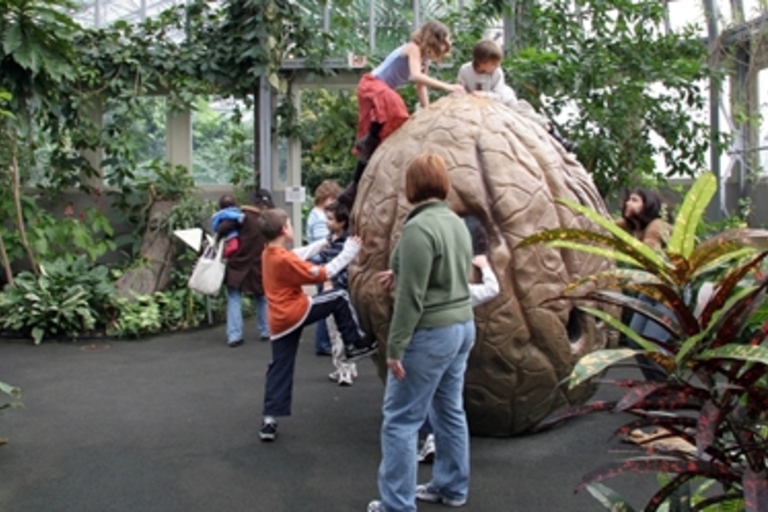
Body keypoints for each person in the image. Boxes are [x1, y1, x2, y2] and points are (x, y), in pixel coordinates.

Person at [367, 153, 476, 512]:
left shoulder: (418, 228)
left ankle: (396, 504)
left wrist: (395, 347)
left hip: (431, 333)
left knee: (400, 420)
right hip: (462, 327)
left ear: (411, 186)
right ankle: (452, 487)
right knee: (450, 411)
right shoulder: (455, 222)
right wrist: (400, 273)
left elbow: (411, 299)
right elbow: (445, 271)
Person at [257, 208, 378, 441]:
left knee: (279, 367)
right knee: (339, 297)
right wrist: (350, 250)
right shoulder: (284, 259)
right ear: (284, 229)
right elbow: (326, 272)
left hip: (279, 322)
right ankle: (354, 345)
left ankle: (269, 419)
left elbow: (298, 254)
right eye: (290, 223)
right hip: (295, 312)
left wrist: (324, 243)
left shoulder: (269, 253)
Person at [337, 20, 465, 208]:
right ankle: (369, 138)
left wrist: (428, 111)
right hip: (372, 85)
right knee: (396, 106)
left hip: (382, 92)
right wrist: (448, 87)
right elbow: (415, 76)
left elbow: (421, 87)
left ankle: (354, 184)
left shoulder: (425, 60)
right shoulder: (412, 48)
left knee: (380, 136)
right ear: (433, 38)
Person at [417, 215, 500, 464]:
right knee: (451, 401)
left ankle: (431, 437)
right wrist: (485, 266)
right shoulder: (465, 285)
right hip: (464, 335)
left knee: (427, 392)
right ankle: (452, 471)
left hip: (435, 337)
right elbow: (493, 289)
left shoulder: (444, 278)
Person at [457, 39, 575, 152]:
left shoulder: (497, 73)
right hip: (475, 106)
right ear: (482, 62)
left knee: (528, 115)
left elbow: (500, 96)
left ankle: (557, 138)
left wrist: (485, 95)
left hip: (505, 103)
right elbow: (461, 88)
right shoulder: (465, 70)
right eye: (493, 63)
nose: (497, 66)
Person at [616, 188, 671, 381]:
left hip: (670, 294)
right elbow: (604, 226)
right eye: (628, 200)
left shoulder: (657, 225)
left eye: (635, 200)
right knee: (635, 340)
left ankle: (668, 390)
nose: (628, 203)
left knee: (652, 344)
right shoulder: (631, 226)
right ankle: (655, 388)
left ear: (648, 205)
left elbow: (649, 252)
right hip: (648, 291)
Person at [308, 201, 359, 386]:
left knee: (339, 331)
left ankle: (345, 369)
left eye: (330, 219)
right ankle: (345, 367)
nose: (326, 222)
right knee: (334, 332)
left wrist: (334, 282)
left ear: (342, 222)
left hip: (339, 292)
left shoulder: (348, 243)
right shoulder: (330, 240)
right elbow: (322, 259)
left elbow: (349, 267)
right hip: (330, 289)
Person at [217, 190, 274, 347]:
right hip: (258, 264)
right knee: (262, 298)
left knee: (234, 298)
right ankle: (266, 331)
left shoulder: (242, 215)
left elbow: (222, 228)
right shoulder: (267, 220)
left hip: (238, 263)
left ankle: (234, 335)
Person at [306, 180, 342, 356]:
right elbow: (325, 244)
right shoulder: (322, 219)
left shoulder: (315, 214)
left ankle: (323, 341)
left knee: (323, 300)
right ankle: (323, 342)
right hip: (323, 266)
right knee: (326, 303)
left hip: (318, 264)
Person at [211, 194, 243, 258]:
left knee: (231, 246)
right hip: (234, 235)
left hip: (227, 236)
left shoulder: (219, 215)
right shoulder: (237, 212)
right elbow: (239, 217)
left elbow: (215, 225)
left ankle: (224, 254)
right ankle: (224, 254)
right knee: (234, 246)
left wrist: (217, 229)